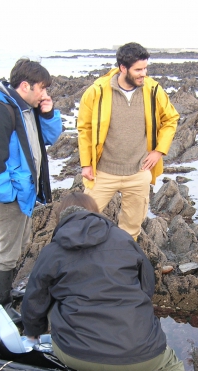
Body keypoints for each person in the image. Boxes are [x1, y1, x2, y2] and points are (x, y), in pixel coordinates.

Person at [21, 193, 198, 371]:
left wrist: (32, 333)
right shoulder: (123, 239)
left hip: (74, 353)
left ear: (61, 218)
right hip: (142, 353)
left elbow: (34, 301)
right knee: (168, 365)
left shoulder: (53, 250)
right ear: (96, 212)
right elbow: (146, 286)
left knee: (56, 300)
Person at [0, 59, 62, 306]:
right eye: (41, 88)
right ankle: (1, 304)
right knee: (8, 251)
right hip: (10, 195)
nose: (45, 93)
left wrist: (48, 113)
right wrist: (7, 195)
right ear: (25, 85)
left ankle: (6, 295)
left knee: (19, 245)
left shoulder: (26, 108)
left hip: (23, 191)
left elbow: (50, 138)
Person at [77, 42, 179, 240]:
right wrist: (86, 164)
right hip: (103, 172)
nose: (144, 73)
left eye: (145, 68)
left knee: (131, 229)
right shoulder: (97, 91)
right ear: (123, 68)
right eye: (138, 69)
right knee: (84, 221)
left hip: (138, 172)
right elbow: (85, 128)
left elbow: (171, 119)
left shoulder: (153, 90)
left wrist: (159, 151)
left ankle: (123, 264)